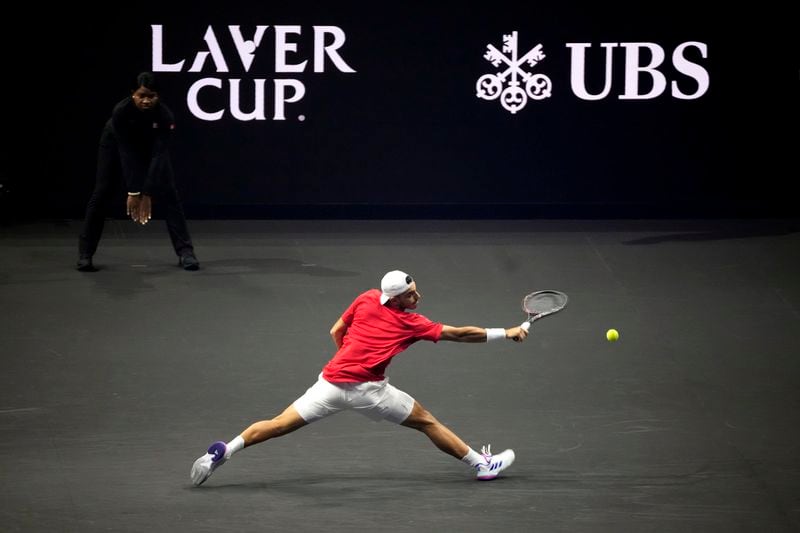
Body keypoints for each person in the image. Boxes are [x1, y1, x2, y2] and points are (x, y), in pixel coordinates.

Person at [190, 270, 529, 486]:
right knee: (426, 421)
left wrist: (348, 355)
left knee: (277, 423)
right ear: (396, 298)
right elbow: (459, 334)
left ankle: (221, 452)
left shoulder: (367, 297)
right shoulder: (413, 323)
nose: (418, 297)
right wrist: (508, 331)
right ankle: (481, 465)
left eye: (417, 290)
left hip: (329, 386)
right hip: (371, 392)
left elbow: (336, 330)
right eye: (412, 294)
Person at [77, 71, 199, 272]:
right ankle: (85, 254)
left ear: (158, 96)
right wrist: (134, 192)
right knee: (101, 193)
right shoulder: (121, 112)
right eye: (141, 95)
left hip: (151, 148)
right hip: (115, 145)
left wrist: (148, 193)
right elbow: (127, 154)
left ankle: (186, 253)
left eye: (151, 96)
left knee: (170, 194)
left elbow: (159, 155)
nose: (146, 101)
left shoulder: (165, 116)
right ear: (132, 94)